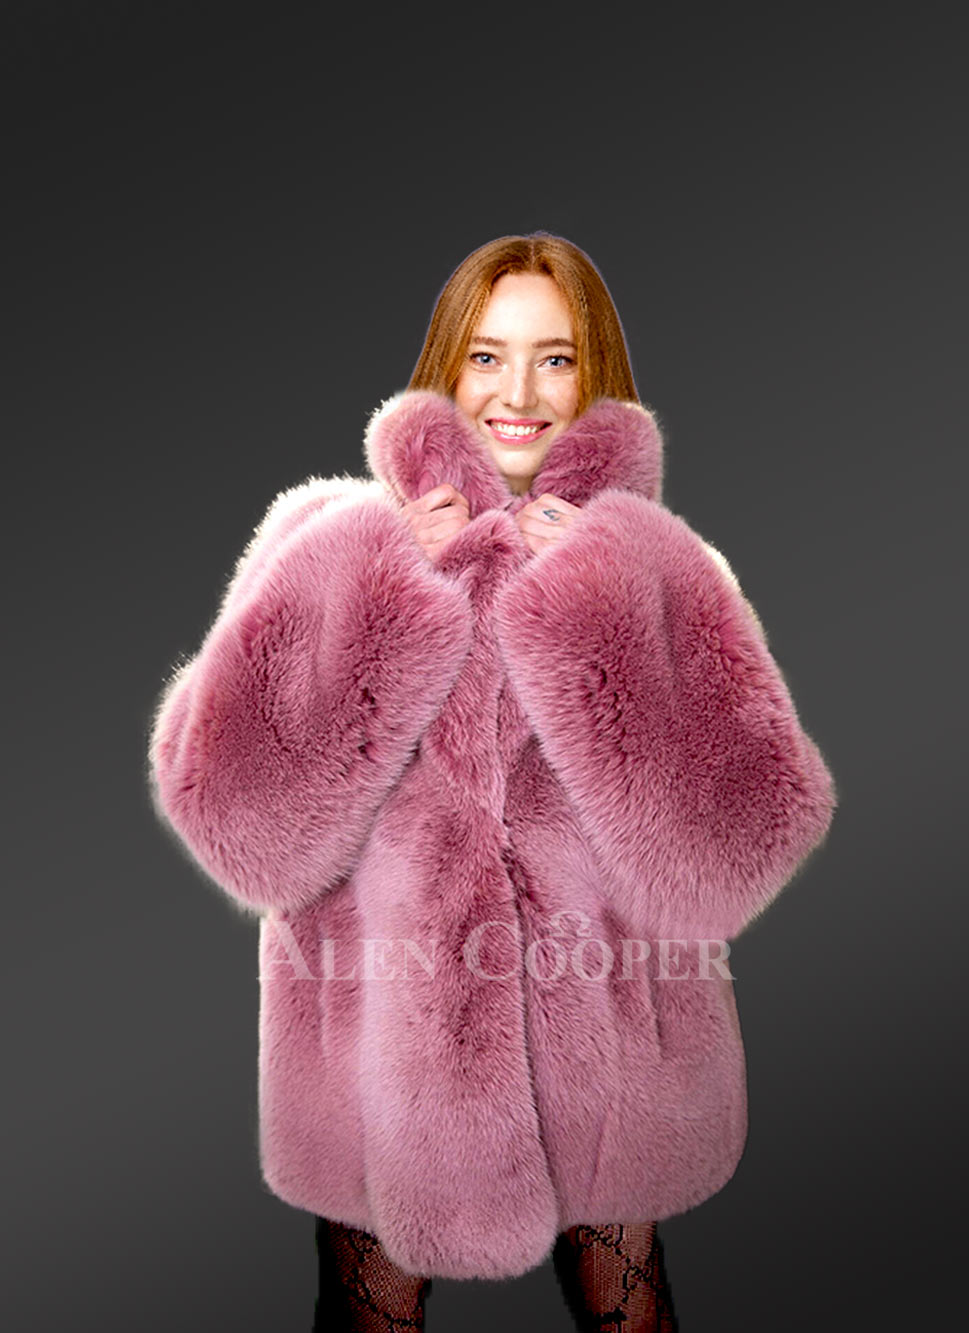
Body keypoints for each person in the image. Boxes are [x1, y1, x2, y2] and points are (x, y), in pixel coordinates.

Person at [146, 233, 837, 1331]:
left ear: (596, 375)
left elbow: (739, 845)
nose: (518, 395)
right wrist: (375, 583)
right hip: (376, 1064)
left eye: (555, 359)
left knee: (631, 1313)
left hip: (610, 1065)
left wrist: (604, 595)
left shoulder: (668, 565)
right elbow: (234, 817)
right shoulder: (326, 536)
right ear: (445, 366)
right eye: (487, 356)